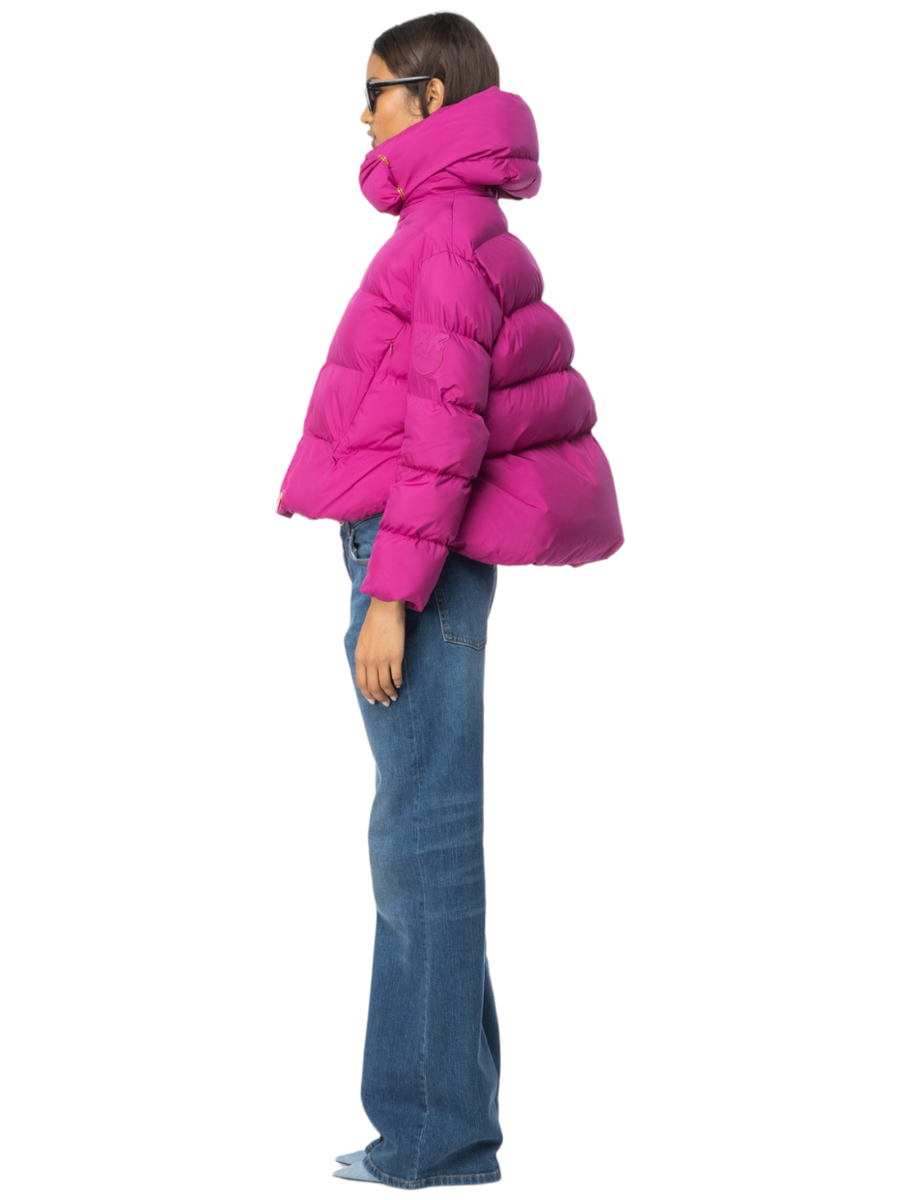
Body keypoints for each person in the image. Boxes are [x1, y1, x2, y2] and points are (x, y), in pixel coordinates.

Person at [275, 13, 624, 1189]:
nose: (363, 112)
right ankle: (442, 1124)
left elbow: (444, 434)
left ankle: (432, 1137)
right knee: (422, 829)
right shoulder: (453, 222)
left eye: (376, 90)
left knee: (419, 834)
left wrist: (390, 595)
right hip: (411, 549)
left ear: (430, 99)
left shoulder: (443, 233)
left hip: (410, 556)